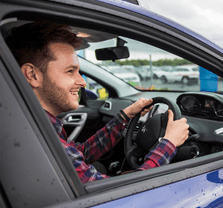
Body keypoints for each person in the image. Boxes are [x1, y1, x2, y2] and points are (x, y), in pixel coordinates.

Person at [5, 21, 189, 183]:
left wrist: (125, 116)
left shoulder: (31, 123)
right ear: (32, 75)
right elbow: (120, 195)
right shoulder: (39, 137)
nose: (82, 82)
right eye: (70, 71)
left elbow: (80, 154)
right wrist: (169, 143)